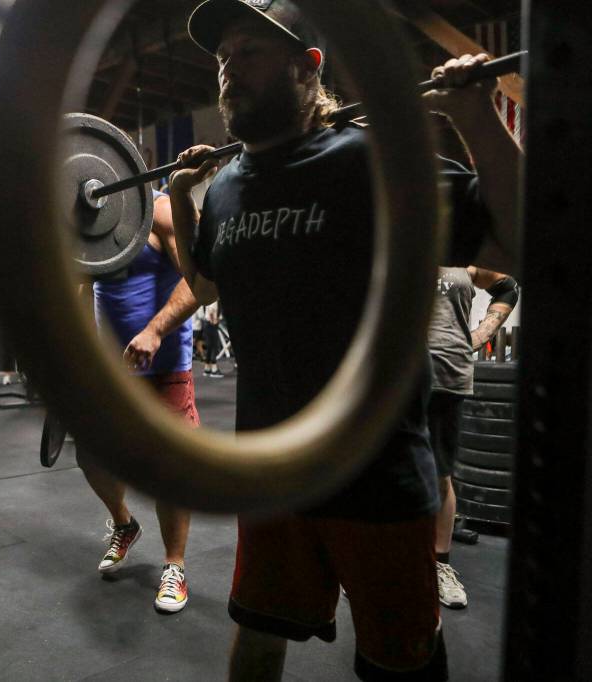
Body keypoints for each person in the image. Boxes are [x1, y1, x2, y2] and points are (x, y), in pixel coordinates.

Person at [169, 1, 521, 678]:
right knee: (257, 637)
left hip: (377, 473)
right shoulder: (226, 190)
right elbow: (206, 285)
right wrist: (186, 200)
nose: (228, 71)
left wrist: (475, 117)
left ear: (309, 67)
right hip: (271, 466)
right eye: (222, 58)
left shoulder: (371, 162)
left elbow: (518, 242)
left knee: (401, 662)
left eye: (249, 53)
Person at [82, 191, 202, 613]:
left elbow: (198, 279)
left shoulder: (160, 211)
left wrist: (155, 330)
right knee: (92, 457)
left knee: (170, 467)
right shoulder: (83, 219)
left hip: (164, 364)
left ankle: (174, 566)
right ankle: (124, 523)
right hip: (112, 373)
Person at [428, 266, 519, 609]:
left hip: (446, 374)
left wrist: (482, 332)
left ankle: (439, 564)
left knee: (440, 474)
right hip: (392, 374)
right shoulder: (398, 243)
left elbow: (507, 287)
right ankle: (376, 562)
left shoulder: (464, 259)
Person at [201, 301, 224, 377]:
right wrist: (214, 320)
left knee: (210, 346)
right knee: (214, 346)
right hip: (211, 324)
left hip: (207, 324)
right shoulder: (214, 299)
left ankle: (207, 368)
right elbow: (211, 310)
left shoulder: (209, 298)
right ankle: (214, 369)